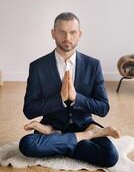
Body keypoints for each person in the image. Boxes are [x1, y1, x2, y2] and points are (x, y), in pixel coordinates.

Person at [19, 12, 119, 167]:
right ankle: (85, 136)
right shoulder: (38, 67)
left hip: (80, 124)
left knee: (110, 157)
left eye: (73, 32)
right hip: (52, 124)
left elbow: (103, 108)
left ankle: (58, 141)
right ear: (53, 33)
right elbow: (29, 110)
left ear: (80, 34)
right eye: (62, 32)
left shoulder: (93, 65)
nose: (68, 37)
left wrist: (76, 98)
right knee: (26, 144)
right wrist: (59, 100)